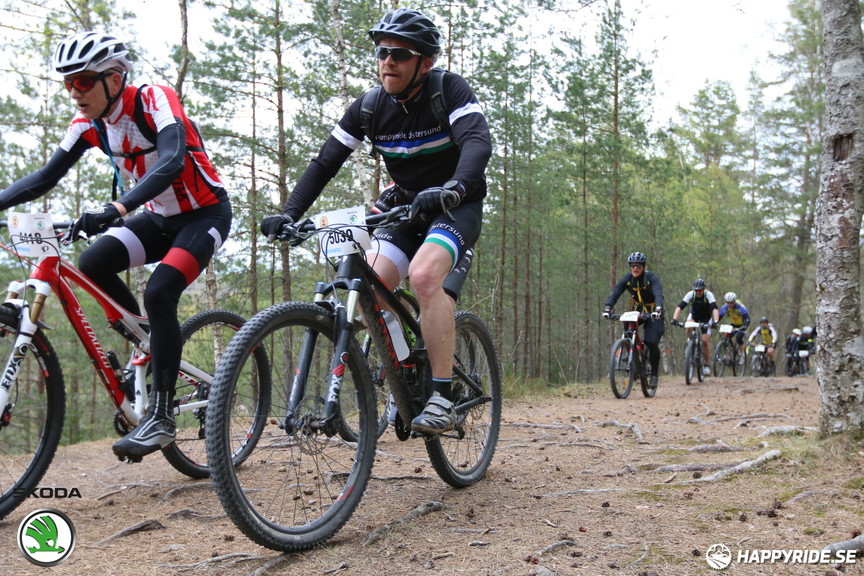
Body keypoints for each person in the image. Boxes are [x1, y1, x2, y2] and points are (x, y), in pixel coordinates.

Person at [0, 32, 232, 460]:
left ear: (114, 78)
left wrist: (117, 207)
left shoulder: (153, 99)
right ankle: (146, 339)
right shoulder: (87, 125)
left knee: (160, 291)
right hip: (158, 218)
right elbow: (45, 177)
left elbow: (172, 159)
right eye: (67, 83)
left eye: (83, 81)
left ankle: (161, 416)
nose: (74, 92)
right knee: (93, 262)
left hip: (205, 215)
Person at [260, 8, 492, 435]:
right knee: (369, 284)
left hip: (454, 206)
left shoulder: (448, 90)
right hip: (404, 207)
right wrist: (289, 212)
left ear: (425, 62)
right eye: (382, 53)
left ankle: (442, 395)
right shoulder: (370, 107)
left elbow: (477, 142)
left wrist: (456, 186)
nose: (388, 62)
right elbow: (325, 162)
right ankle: (404, 367)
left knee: (424, 277)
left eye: (400, 54)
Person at [602, 251, 665, 388]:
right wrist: (607, 308)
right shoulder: (628, 278)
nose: (635, 268)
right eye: (632, 265)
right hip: (638, 310)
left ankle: (654, 375)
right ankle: (632, 353)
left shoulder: (651, 277)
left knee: (651, 342)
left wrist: (658, 309)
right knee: (627, 324)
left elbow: (658, 293)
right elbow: (616, 293)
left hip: (653, 312)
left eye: (638, 266)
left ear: (643, 267)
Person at [670, 278, 720, 376]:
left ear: (704, 289)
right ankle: (689, 344)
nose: (698, 292)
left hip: (706, 318)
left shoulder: (708, 295)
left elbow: (714, 308)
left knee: (705, 340)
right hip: (694, 316)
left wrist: (716, 321)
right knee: (688, 326)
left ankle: (706, 363)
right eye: (696, 290)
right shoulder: (690, 294)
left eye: (700, 290)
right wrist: (674, 319)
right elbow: (680, 306)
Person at [717, 292, 750, 365]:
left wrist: (744, 326)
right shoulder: (725, 307)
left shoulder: (740, 308)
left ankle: (742, 355)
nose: (729, 305)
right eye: (728, 303)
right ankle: (727, 356)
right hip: (733, 325)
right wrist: (715, 323)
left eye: (731, 303)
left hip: (742, 325)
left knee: (739, 337)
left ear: (734, 302)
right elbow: (719, 317)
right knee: (726, 338)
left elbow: (747, 319)